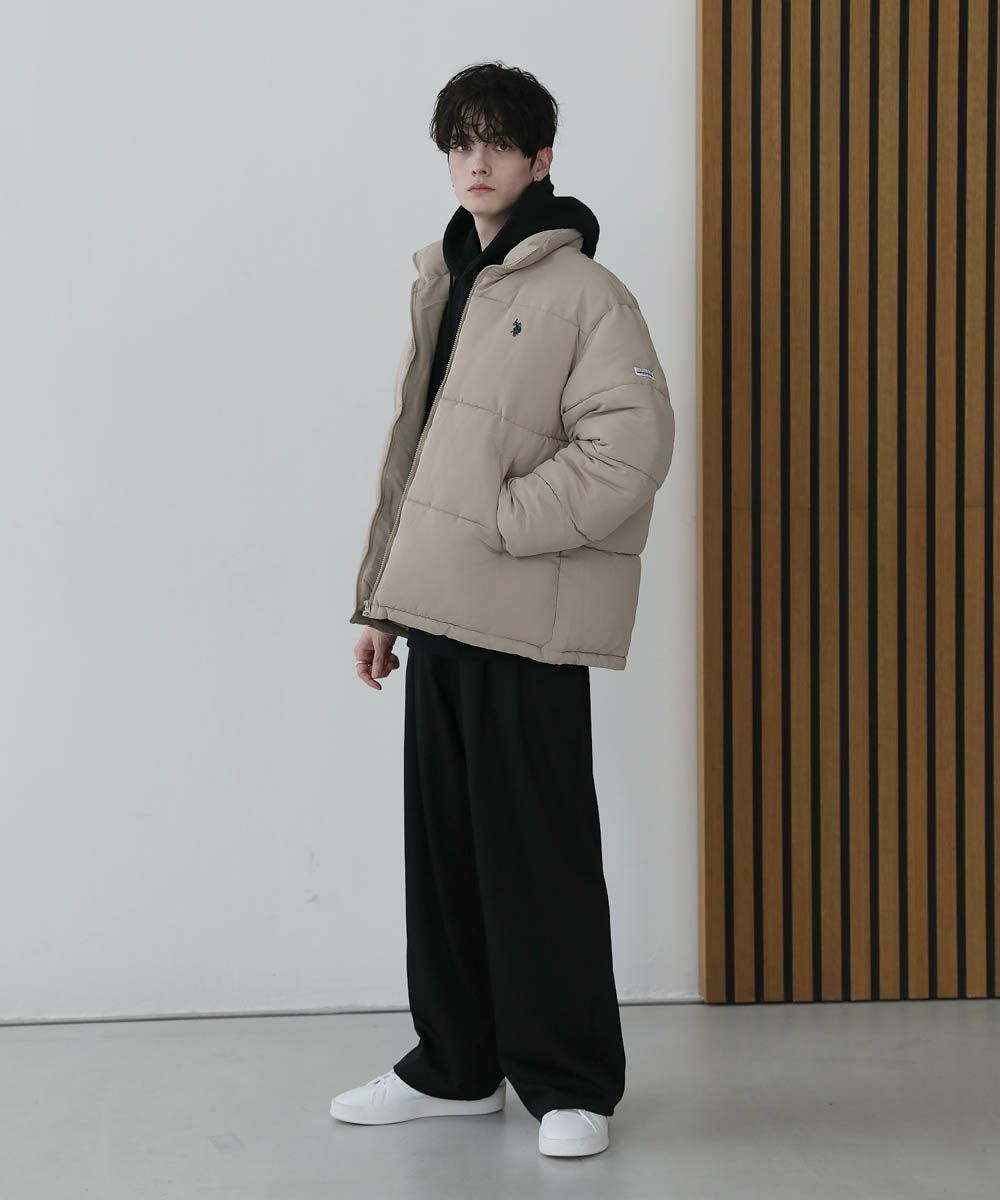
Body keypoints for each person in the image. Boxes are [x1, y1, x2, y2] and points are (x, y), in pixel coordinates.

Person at [332, 61, 675, 1158]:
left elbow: (631, 448)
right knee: (443, 860)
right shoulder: (448, 277)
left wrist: (502, 520)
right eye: (460, 141)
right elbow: (414, 463)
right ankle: (457, 1066)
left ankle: (571, 1083)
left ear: (541, 159)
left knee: (540, 856)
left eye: (497, 141)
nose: (476, 160)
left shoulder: (585, 293)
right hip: (437, 615)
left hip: (524, 619)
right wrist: (381, 601)